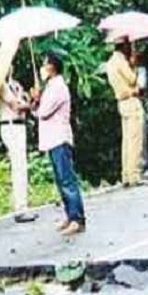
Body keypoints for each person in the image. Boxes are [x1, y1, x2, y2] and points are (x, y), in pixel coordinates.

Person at [31, 53, 86, 236]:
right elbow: (38, 111)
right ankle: (70, 216)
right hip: (52, 140)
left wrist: (37, 99)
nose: (43, 67)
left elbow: (43, 112)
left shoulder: (58, 87)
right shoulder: (50, 86)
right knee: (61, 180)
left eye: (45, 63)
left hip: (59, 138)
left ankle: (77, 218)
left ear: (53, 66)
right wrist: (36, 100)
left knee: (67, 179)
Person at [0, 72, 38, 223]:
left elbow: (23, 101)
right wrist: (32, 103)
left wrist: (30, 100)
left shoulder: (15, 84)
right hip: (10, 125)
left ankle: (23, 204)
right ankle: (20, 208)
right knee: (18, 166)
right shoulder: (0, 84)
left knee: (22, 165)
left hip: (19, 125)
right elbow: (16, 106)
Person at [106, 38, 145, 187]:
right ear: (124, 46)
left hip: (121, 102)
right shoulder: (121, 61)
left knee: (127, 140)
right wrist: (134, 65)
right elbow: (132, 79)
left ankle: (126, 174)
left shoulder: (110, 62)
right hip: (131, 99)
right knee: (135, 140)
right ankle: (134, 174)